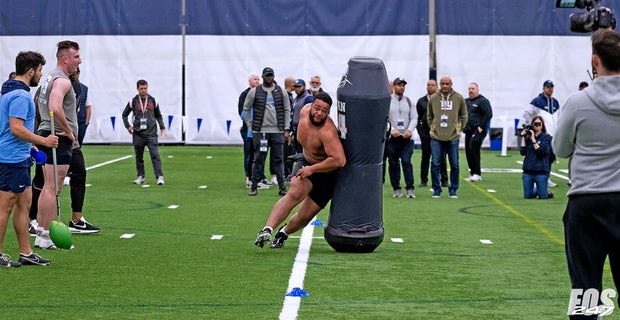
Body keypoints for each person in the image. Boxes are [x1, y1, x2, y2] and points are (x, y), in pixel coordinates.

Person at [553, 30, 620, 318]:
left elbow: (561, 149)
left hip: (586, 201)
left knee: (585, 291)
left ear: (595, 60)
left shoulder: (577, 102)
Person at [254, 92, 345, 249]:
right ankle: (267, 229)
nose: (319, 113)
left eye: (325, 111)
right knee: (295, 192)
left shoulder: (327, 131)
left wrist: (313, 168)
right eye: (317, 108)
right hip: (305, 162)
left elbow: (339, 160)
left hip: (326, 174)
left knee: (305, 217)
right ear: (311, 105)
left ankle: (283, 232)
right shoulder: (303, 111)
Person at [0, 51, 54, 266]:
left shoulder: (10, 91)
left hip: (19, 157)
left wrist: (29, 144)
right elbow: (15, 128)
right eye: (40, 70)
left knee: (25, 204)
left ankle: (26, 252)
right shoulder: (21, 96)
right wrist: (43, 142)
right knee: (5, 207)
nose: (41, 75)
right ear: (31, 71)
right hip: (11, 159)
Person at [35, 40, 82, 250]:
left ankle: (42, 234)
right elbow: (55, 106)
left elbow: (39, 102)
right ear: (65, 58)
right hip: (58, 137)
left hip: (48, 132)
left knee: (48, 186)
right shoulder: (63, 80)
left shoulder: (48, 77)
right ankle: (44, 235)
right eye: (76, 57)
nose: (79, 61)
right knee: (52, 188)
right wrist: (69, 131)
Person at [243, 67, 291, 196]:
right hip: (261, 132)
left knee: (279, 159)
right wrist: (250, 125)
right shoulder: (254, 92)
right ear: (263, 77)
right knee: (259, 159)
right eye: (267, 76)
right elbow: (246, 109)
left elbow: (287, 109)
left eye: (271, 75)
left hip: (277, 132)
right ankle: (254, 187)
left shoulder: (281, 92)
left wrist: (286, 128)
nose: (269, 78)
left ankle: (282, 187)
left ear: (274, 77)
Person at [427, 76, 467, 199]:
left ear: (451, 84)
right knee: (435, 163)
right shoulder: (433, 98)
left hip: (453, 137)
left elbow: (464, 115)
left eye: (447, 84)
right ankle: (436, 189)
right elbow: (429, 116)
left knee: (454, 164)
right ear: (440, 84)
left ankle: (453, 189)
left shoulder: (459, 98)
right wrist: (433, 128)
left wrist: (458, 128)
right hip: (436, 137)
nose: (444, 86)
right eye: (442, 84)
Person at [122, 79, 166, 185]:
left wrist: (162, 127)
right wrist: (128, 126)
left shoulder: (153, 100)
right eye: (141, 89)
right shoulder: (133, 101)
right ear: (137, 89)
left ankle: (159, 177)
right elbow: (124, 114)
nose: (143, 90)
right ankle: (141, 176)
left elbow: (158, 115)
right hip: (138, 134)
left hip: (151, 133)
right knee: (139, 157)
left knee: (155, 155)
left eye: (145, 88)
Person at [523, 80, 560, 188]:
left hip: (552, 135)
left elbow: (559, 117)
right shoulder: (537, 101)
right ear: (543, 88)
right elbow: (527, 113)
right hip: (543, 135)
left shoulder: (555, 102)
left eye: (552, 87)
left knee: (550, 157)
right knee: (540, 157)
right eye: (548, 87)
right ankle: (538, 179)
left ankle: (546, 177)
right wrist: (532, 127)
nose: (550, 89)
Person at [386, 77, 417, 198]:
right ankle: (396, 188)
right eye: (399, 85)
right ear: (394, 87)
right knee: (393, 163)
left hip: (405, 138)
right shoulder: (387, 101)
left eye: (403, 85)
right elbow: (383, 119)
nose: (401, 87)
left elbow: (414, 117)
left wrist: (409, 130)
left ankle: (410, 188)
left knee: (406, 162)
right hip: (392, 139)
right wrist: (391, 130)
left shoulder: (409, 101)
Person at [415, 79, 447, 188]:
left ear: (436, 86)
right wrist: (420, 132)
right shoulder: (421, 101)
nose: (430, 87)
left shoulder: (442, 100)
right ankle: (424, 180)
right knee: (425, 157)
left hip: (439, 134)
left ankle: (444, 180)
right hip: (426, 134)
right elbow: (417, 118)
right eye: (428, 85)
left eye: (432, 85)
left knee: (441, 157)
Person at [463, 82, 493, 182]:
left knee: (474, 147)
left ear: (477, 90)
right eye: (469, 89)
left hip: (478, 130)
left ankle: (477, 173)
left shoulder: (483, 101)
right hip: (468, 130)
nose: (471, 90)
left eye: (473, 89)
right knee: (468, 150)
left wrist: (481, 126)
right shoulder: (466, 101)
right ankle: (472, 173)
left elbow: (488, 114)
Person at [519, 115, 553, 200]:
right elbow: (522, 152)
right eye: (535, 124)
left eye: (539, 124)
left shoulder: (546, 137)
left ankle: (545, 192)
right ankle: (537, 190)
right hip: (528, 170)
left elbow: (541, 152)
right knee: (527, 196)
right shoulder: (528, 137)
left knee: (543, 197)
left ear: (542, 125)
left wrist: (533, 139)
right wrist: (523, 137)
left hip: (541, 171)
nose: (537, 126)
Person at [238, 73, 260, 188]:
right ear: (249, 81)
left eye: (258, 79)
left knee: (259, 153)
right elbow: (242, 112)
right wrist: (250, 123)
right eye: (255, 79)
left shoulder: (261, 93)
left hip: (259, 129)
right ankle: (248, 176)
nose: (257, 81)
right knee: (249, 153)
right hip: (248, 129)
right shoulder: (245, 94)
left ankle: (258, 176)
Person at [290, 79, 314, 153]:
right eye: (296, 87)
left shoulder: (308, 98)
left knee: (303, 152)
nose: (297, 89)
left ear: (304, 87)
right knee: (298, 152)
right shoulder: (296, 99)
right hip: (296, 129)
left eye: (299, 87)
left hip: (304, 129)